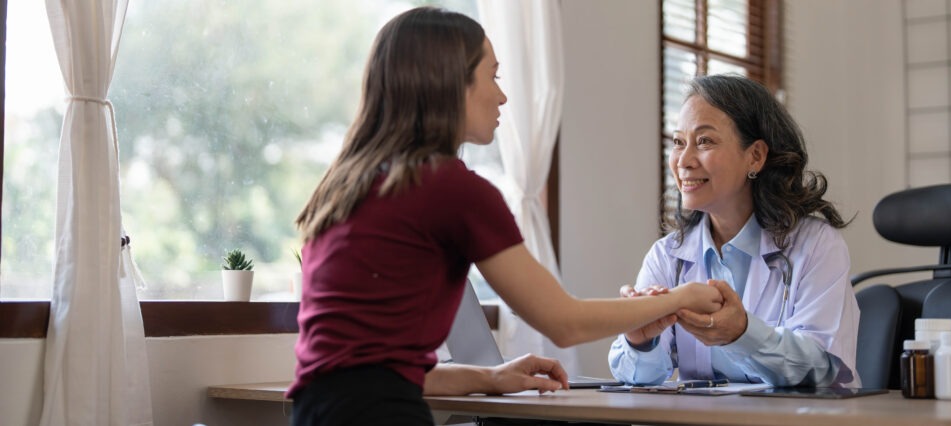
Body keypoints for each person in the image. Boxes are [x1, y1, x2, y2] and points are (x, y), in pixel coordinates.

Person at [287, 7, 723, 425]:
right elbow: (563, 322)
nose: (503, 94)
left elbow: (370, 368)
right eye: (492, 76)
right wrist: (680, 298)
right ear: (450, 84)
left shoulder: (345, 188)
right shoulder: (453, 190)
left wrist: (490, 377)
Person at [608, 74, 860, 388]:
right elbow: (639, 377)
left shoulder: (816, 246)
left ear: (755, 155)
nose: (683, 161)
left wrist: (743, 334)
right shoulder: (668, 254)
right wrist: (640, 341)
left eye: (704, 141)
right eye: (678, 143)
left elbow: (821, 370)